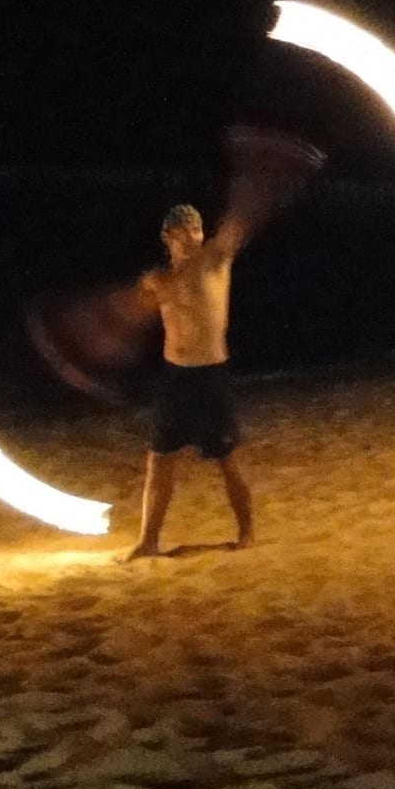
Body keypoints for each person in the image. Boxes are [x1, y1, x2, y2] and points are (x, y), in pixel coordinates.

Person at [120, 203, 254, 562]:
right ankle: (148, 542)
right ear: (168, 237)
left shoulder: (214, 263)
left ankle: (247, 533)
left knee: (226, 460)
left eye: (196, 229)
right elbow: (134, 314)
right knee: (159, 459)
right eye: (183, 231)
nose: (192, 237)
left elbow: (236, 228)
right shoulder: (160, 280)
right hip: (176, 377)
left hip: (210, 376)